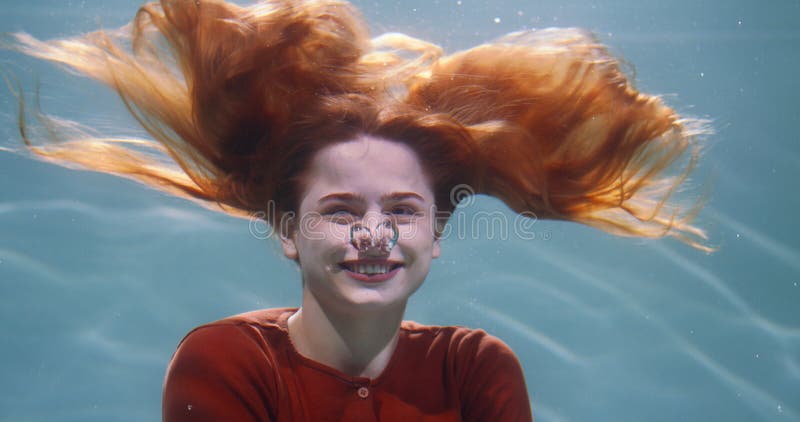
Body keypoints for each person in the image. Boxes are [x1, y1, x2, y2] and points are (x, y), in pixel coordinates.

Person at [6, 0, 711, 420]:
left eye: (404, 211)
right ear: (287, 231)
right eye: (341, 210)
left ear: (436, 237)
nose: (374, 234)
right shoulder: (225, 361)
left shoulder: (476, 369)